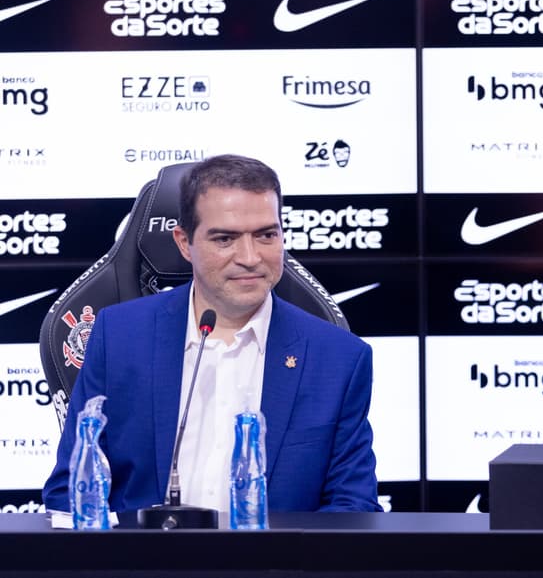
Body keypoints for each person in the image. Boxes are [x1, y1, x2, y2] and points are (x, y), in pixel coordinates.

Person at [43, 154, 381, 513]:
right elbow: (70, 488)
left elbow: (353, 506)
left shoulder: (339, 357)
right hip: (144, 564)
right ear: (184, 243)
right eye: (225, 239)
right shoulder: (119, 337)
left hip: (274, 565)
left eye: (266, 235)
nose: (250, 257)